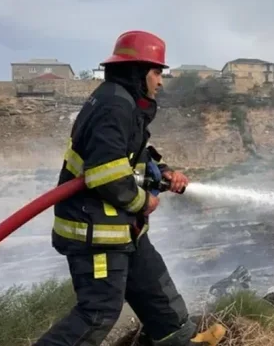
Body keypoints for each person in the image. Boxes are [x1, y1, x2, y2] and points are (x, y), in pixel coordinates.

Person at [34, 30, 198, 346]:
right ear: (137, 71)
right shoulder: (114, 106)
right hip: (96, 233)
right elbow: (106, 175)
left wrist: (162, 173)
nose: (160, 82)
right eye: (157, 72)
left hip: (123, 230)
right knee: (98, 312)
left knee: (157, 297)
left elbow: (128, 156)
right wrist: (143, 203)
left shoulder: (121, 102)